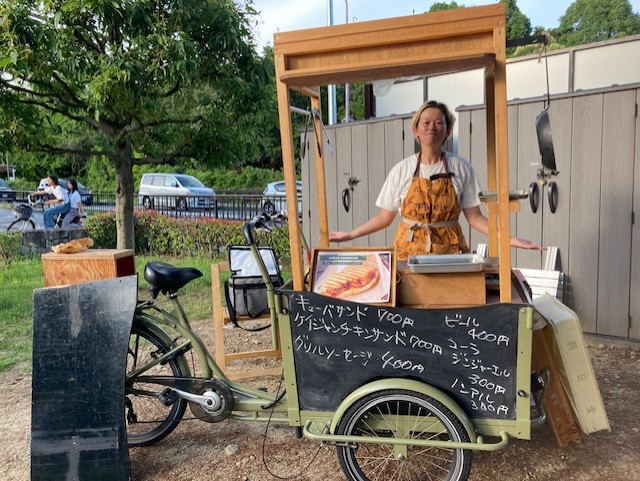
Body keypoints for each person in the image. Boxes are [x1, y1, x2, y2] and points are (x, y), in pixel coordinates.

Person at [329, 100, 543, 260]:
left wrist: (509, 239)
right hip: (408, 256)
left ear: (447, 131)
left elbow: (475, 218)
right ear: (416, 131)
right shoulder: (401, 171)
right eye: (426, 122)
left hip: (450, 254)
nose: (432, 127)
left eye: (439, 123)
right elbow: (385, 218)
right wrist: (350, 235)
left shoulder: (462, 168)